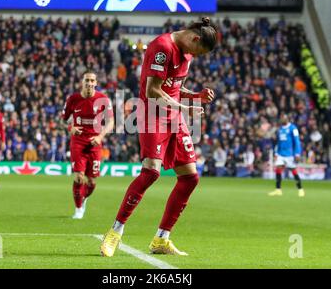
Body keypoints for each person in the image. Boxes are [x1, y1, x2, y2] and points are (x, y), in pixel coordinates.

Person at [100, 17, 218, 257]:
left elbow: (174, 87)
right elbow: (152, 90)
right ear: (194, 38)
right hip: (151, 114)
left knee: (190, 178)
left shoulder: (187, 54)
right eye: (199, 51)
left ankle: (161, 239)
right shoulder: (162, 47)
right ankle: (115, 232)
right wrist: (185, 108)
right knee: (151, 172)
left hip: (174, 117)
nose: (197, 55)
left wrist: (195, 97)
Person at [62, 72, 114, 219]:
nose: (89, 83)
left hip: (95, 144)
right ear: (82, 82)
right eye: (87, 80)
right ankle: (78, 209)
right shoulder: (73, 99)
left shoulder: (103, 99)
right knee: (79, 177)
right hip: (77, 142)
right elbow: (63, 119)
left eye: (92, 80)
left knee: (91, 182)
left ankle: (84, 198)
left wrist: (100, 136)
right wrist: (70, 128)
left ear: (96, 83)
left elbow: (111, 122)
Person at [269, 114, 305, 197]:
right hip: (281, 154)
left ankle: (300, 189)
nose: (282, 120)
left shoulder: (293, 128)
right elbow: (279, 143)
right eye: (281, 118)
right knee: (278, 170)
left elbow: (297, 141)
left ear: (287, 119)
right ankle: (278, 190)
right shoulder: (280, 129)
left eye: (283, 118)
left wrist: (297, 153)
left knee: (293, 171)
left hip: (290, 154)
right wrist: (276, 153)